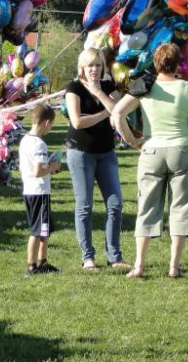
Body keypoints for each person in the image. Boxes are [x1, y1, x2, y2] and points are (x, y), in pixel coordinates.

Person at [112, 43, 188, 279]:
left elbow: (117, 115)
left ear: (155, 63)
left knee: (147, 208)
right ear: (177, 64)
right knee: (181, 208)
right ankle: (174, 266)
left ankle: (139, 265)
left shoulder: (144, 87)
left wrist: (133, 141)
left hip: (152, 150)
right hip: (182, 150)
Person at [64, 48, 129, 270]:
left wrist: (100, 93)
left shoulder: (110, 88)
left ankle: (114, 256)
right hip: (80, 152)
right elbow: (77, 122)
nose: (94, 69)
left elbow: (118, 112)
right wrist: (105, 113)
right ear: (82, 67)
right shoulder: (73, 88)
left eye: (98, 65)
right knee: (84, 206)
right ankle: (88, 257)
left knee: (115, 204)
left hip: (106, 153)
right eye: (90, 65)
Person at [19, 104, 62, 276]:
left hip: (29, 190)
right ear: (46, 123)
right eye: (51, 125)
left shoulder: (25, 140)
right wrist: (54, 166)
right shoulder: (39, 144)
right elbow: (38, 171)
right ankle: (31, 265)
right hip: (39, 192)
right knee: (37, 230)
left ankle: (43, 261)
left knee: (44, 228)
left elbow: (24, 168)